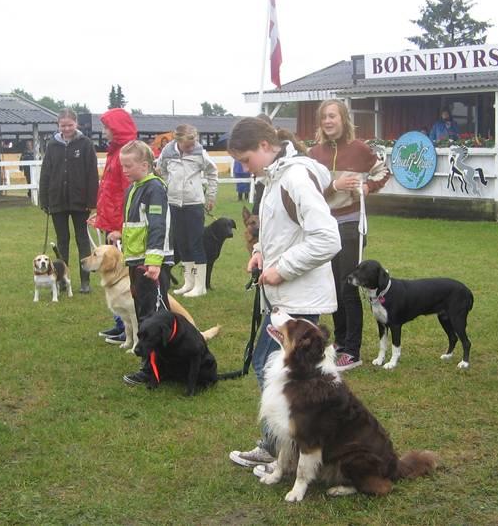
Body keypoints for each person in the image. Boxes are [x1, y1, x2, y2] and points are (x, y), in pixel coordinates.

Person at [226, 117, 340, 470]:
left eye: (246, 160)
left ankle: (287, 448)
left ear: (264, 146)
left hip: (298, 297)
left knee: (277, 371)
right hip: (285, 296)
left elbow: (327, 238)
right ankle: (287, 447)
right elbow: (281, 231)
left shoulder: (294, 178)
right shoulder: (273, 178)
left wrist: (282, 268)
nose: (245, 168)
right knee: (277, 370)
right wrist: (260, 251)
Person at [308, 99, 390, 371]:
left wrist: (368, 188)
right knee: (331, 288)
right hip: (323, 227)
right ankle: (341, 342)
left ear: (343, 119)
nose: (328, 122)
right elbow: (307, 192)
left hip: (351, 225)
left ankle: (352, 351)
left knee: (348, 288)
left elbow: (382, 171)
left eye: (333, 116)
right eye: (324, 118)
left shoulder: (360, 149)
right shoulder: (313, 154)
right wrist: (334, 185)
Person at [107, 140, 173, 387]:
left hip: (149, 264)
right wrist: (120, 234)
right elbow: (138, 226)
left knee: (152, 316)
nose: (123, 170)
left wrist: (154, 261)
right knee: (146, 312)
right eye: (122, 166)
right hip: (137, 262)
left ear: (145, 165)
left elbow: (157, 226)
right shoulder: (135, 187)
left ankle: (153, 369)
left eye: (128, 166)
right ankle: (159, 364)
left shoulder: (154, 188)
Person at [90, 108, 138, 343]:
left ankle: (128, 327)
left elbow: (127, 195)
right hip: (111, 223)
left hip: (122, 227)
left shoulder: (126, 154)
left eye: (107, 127)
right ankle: (121, 323)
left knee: (119, 275)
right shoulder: (114, 152)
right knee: (113, 274)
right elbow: (108, 190)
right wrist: (100, 216)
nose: (104, 132)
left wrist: (120, 227)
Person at [39, 108, 99, 294]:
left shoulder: (86, 144)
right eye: (63, 125)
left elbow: (92, 173)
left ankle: (85, 281)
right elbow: (46, 173)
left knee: (82, 240)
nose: (66, 129)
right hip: (57, 199)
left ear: (76, 124)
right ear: (58, 125)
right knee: (62, 241)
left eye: (70, 125)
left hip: (80, 201)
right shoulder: (52, 145)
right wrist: (44, 199)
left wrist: (91, 200)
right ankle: (61, 280)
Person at [157, 124, 218, 298]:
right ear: (178, 141)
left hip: (194, 204)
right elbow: (160, 170)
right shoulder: (167, 153)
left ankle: (200, 285)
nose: (191, 148)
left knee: (195, 242)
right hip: (174, 203)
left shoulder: (200, 153)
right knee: (182, 243)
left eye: (194, 144)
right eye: (188, 145)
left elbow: (212, 173)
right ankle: (188, 282)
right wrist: (169, 186)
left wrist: (210, 196)